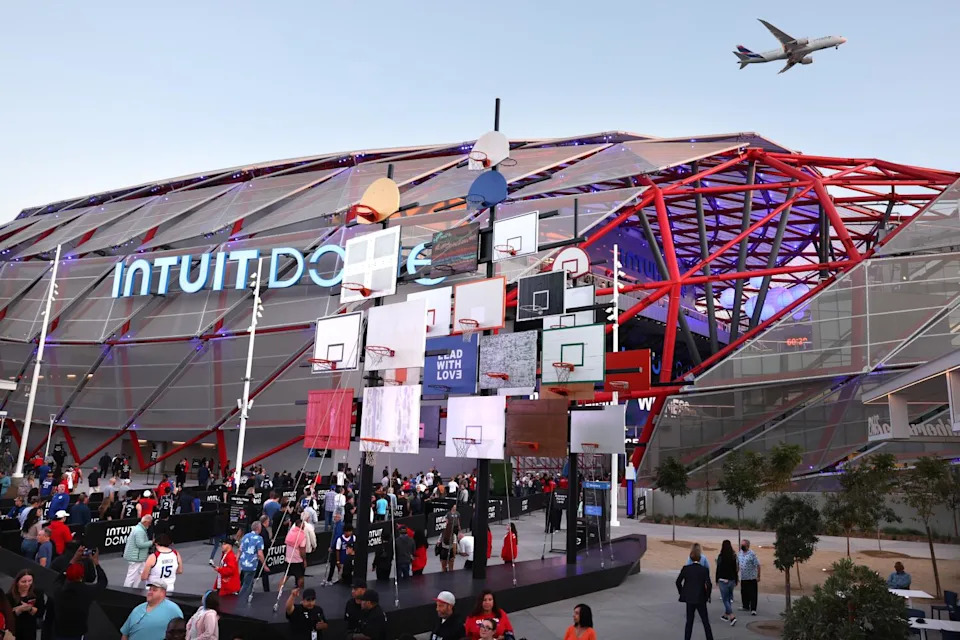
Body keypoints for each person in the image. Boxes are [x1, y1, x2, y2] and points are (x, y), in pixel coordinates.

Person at [51, 551, 109, 639]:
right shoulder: (87, 591)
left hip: (59, 632)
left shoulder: (59, 591)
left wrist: (73, 560)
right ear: (82, 576)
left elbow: (58, 579)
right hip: (77, 633)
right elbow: (103, 582)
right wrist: (96, 563)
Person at [677, 546, 715, 640]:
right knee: (705, 621)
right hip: (700, 597)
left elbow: (678, 582)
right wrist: (708, 595)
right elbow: (709, 584)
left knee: (689, 622)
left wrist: (682, 593)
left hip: (690, 597)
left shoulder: (686, 569)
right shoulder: (703, 570)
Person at [6, 568, 44, 640]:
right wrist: (18, 610)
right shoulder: (9, 596)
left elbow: (41, 612)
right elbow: (7, 616)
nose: (27, 584)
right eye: (23, 582)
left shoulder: (37, 593)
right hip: (15, 630)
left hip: (29, 630)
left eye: (30, 581)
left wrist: (30, 608)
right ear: (17, 582)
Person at [238, 521, 269, 600]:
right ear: (259, 528)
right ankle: (240, 599)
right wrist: (264, 565)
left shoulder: (245, 536)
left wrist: (236, 559)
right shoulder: (259, 539)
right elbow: (260, 553)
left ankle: (248, 597)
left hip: (243, 563)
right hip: (251, 564)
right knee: (247, 584)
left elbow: (240, 549)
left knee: (249, 581)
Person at [124, 515, 154, 588]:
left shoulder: (139, 529)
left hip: (138, 557)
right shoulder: (140, 531)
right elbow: (140, 544)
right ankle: (126, 590)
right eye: (149, 523)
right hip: (136, 557)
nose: (150, 525)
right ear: (145, 522)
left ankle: (135, 588)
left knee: (141, 573)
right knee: (132, 575)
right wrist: (151, 542)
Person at [715, 539, 738, 626]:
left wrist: (717, 579)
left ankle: (732, 616)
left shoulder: (721, 556)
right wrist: (736, 579)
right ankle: (725, 615)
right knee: (728, 598)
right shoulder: (733, 556)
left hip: (722, 579)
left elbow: (718, 568)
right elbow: (735, 569)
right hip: (731, 579)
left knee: (725, 599)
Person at [737, 539, 760, 616]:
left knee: (753, 594)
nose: (741, 546)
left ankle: (753, 609)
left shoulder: (752, 554)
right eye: (741, 545)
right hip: (743, 577)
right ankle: (745, 606)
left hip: (751, 577)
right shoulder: (739, 553)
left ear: (747, 546)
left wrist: (758, 576)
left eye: (743, 545)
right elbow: (737, 564)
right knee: (744, 592)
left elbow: (757, 565)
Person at [284, 514, 308, 590]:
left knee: (286, 576)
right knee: (300, 577)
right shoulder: (302, 535)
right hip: (297, 559)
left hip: (288, 558)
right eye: (303, 525)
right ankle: (300, 591)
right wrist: (304, 560)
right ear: (301, 525)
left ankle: (279, 590)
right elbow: (302, 549)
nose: (304, 526)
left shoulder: (290, 533)